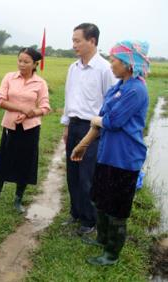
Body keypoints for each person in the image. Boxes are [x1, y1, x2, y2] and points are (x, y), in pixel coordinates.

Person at [71, 40, 150, 265]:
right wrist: (88, 138)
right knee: (102, 200)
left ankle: (111, 255)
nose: (112, 63)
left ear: (128, 64)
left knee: (117, 209)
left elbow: (112, 121)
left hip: (124, 158)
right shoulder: (119, 87)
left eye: (115, 60)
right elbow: (103, 117)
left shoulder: (135, 90)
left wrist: (98, 120)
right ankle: (102, 239)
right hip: (107, 153)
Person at [61, 23, 116, 235]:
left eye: (77, 40)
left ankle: (89, 219)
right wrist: (66, 126)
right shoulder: (73, 68)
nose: (74, 44)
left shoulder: (104, 69)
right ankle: (75, 212)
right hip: (74, 125)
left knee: (87, 175)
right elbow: (68, 99)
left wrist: (99, 130)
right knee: (72, 173)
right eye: (73, 40)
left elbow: (110, 103)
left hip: (92, 128)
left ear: (92, 41)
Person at [0, 47, 50, 213]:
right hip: (10, 127)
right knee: (3, 163)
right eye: (20, 60)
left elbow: (45, 107)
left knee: (25, 163)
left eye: (26, 62)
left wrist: (31, 114)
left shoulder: (40, 83)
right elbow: (0, 100)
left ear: (35, 64)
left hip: (30, 128)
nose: (21, 64)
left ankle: (18, 200)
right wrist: (22, 109)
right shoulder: (9, 77)